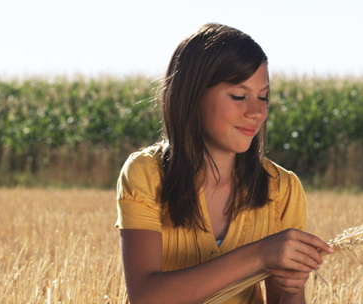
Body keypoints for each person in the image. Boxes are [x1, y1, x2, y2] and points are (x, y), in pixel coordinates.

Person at [115, 23, 333, 304]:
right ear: (192, 94)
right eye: (239, 96)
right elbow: (146, 298)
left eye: (263, 97)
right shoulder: (146, 174)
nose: (256, 112)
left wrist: (290, 288)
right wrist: (260, 254)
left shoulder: (283, 189)